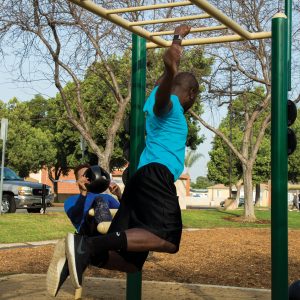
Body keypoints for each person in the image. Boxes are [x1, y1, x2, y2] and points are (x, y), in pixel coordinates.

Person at [65, 24, 200, 290]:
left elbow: (162, 89)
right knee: (168, 239)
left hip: (141, 180)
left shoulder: (152, 100)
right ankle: (86, 244)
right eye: (195, 95)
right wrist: (170, 66)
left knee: (130, 262)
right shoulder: (169, 107)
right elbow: (166, 95)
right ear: (191, 94)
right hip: (156, 175)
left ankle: (87, 255)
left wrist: (178, 40)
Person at [46, 163, 122, 297]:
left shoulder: (107, 197)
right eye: (83, 176)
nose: (87, 178)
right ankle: (106, 231)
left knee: (101, 199)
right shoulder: (72, 200)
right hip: (87, 234)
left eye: (89, 174)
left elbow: (124, 212)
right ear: (77, 180)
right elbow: (75, 215)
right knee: (98, 200)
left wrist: (119, 195)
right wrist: (83, 193)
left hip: (102, 241)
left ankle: (63, 266)